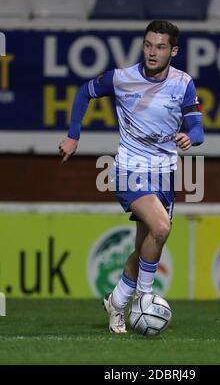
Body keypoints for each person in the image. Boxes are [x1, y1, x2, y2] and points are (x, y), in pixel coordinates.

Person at [59, 20, 204, 333]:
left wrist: (191, 137)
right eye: (148, 45)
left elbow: (197, 127)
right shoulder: (121, 78)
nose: (153, 52)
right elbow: (84, 92)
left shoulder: (183, 83)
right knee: (161, 227)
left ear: (173, 50)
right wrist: (73, 136)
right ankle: (144, 297)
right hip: (129, 170)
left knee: (146, 247)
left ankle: (116, 303)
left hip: (165, 174)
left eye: (161, 47)